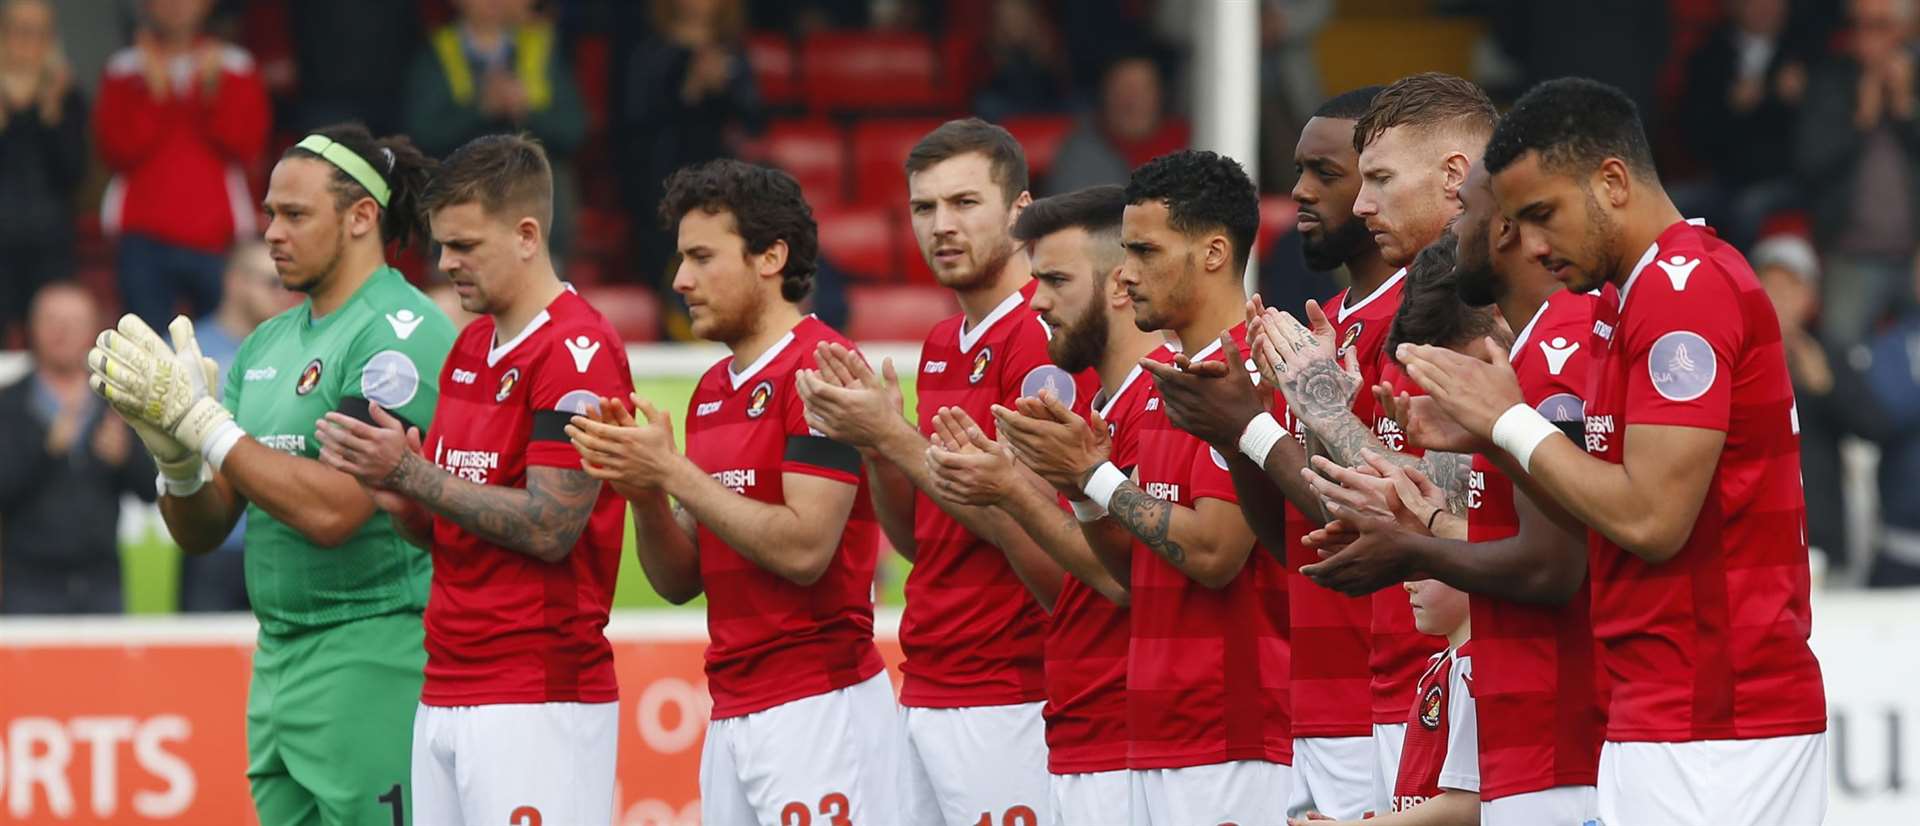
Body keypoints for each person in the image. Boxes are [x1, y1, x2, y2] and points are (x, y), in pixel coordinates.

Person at [1397, 76, 1827, 825]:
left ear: (1614, 181)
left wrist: (1512, 424)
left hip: (1714, 724)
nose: (1529, 243)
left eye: (1543, 215)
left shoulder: (1679, 292)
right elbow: (1616, 483)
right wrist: (1494, 438)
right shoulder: (1633, 296)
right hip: (1670, 710)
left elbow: (1654, 518)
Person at [88, 122, 452, 823]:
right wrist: (175, 457)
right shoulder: (265, 343)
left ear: (361, 218)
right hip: (278, 658)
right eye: (268, 215)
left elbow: (336, 512)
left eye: (294, 214)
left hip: (373, 651)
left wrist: (204, 424)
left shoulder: (401, 329)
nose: (273, 234)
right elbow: (205, 529)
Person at [566, 159, 899, 825]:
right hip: (732, 710)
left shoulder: (823, 371)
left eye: (701, 257)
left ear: (771, 257)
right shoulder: (712, 391)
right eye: (680, 258)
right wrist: (645, 495)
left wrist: (675, 474)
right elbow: (679, 579)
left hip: (819, 710)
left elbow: (806, 548)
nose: (681, 280)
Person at [314, 133, 631, 826]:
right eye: (440, 244)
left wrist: (412, 473)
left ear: (526, 235)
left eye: (463, 245)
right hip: (448, 682)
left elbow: (550, 527)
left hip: (538, 695)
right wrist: (402, 499)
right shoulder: (469, 347)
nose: (444, 263)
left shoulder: (578, 354)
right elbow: (453, 525)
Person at [1299, 163, 1604, 826]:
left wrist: (1414, 541)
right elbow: (1460, 515)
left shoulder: (1556, 358)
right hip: (1485, 716)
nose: (1363, 201)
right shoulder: (1516, 376)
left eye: (1380, 175)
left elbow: (1552, 565)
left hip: (1563, 745)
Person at [995, 149, 1293, 825]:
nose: (1125, 274)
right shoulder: (1175, 383)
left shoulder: (1248, 373)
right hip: (1158, 734)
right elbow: (1135, 573)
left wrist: (1092, 476)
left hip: (1229, 735)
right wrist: (1080, 488)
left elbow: (1215, 556)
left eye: (1144, 249)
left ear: (1214, 252)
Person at [793, 118, 1076, 826]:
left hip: (1012, 691)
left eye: (964, 203)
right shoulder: (944, 340)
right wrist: (878, 448)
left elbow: (1036, 531)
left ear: (1020, 213)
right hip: (929, 681)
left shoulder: (1043, 334)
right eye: (924, 207)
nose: (941, 225)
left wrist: (893, 432)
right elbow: (927, 538)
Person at [1267, 73, 1495, 816]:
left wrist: (1298, 416)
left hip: (1464, 682)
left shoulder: (1478, 314)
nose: (1361, 206)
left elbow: (1467, 509)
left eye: (1378, 179)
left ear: (1454, 176)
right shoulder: (1357, 321)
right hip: (1390, 688)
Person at [921, 184, 1167, 825]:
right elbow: (1072, 586)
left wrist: (1009, 489)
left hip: (1136, 739)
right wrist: (1006, 485)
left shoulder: (1168, 401)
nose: (1038, 301)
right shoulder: (1095, 413)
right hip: (1077, 725)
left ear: (1120, 283)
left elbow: (1131, 583)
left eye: (1056, 280)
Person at [94, 0, 269, 332]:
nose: (176, 6)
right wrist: (154, 93)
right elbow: (116, 150)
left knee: (224, 344)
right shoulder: (124, 68)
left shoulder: (236, 65)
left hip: (217, 234)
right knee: (146, 349)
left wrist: (210, 92)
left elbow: (245, 145)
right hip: (143, 235)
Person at [0, 283, 153, 614]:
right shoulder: (8, 402)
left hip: (102, 580)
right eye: (51, 320)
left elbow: (152, 489)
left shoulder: (118, 401)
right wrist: (45, 450)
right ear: (31, 327)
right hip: (28, 583)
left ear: (94, 330)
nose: (62, 331)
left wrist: (125, 458)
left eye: (74, 322)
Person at [1291, 572, 1480, 826]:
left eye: (1426, 572)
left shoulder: (1473, 669)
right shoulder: (1438, 666)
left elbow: (1470, 803)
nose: (1407, 585)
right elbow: (1419, 799)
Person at [405, 0, 587, 259]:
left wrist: (526, 110)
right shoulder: (437, 51)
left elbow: (573, 130)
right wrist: (481, 108)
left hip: (533, 213)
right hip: (461, 209)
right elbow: (424, 133)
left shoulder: (540, 46)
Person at [175, 240, 300, 612]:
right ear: (234, 281)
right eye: (272, 283)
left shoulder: (302, 350)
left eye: (290, 285)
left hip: (285, 542)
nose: (285, 296)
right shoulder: (186, 351)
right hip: (213, 543)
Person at [619, 0, 764, 305]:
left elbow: (755, 119)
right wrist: (690, 89)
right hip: (663, 182)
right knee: (678, 272)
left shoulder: (731, 52)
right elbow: (635, 121)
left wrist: (726, 86)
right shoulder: (650, 52)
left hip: (721, 182)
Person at [1797, 0, 1920, 346]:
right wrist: (1861, 122)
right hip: (1851, 254)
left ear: (1906, 30)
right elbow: (1810, 164)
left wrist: (1905, 109)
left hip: (1914, 256)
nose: (1865, 37)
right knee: (1837, 357)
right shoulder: (1831, 81)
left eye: (1879, 25)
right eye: (1858, 25)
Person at [1676, 0, 1807, 249]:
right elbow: (1694, 134)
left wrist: (1796, 99)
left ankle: (1737, 283)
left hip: (1785, 178)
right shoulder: (1711, 54)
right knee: (1675, 201)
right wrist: (1731, 107)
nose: (1765, 8)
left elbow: (1821, 134)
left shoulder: (1804, 52)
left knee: (1748, 207)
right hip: (1726, 177)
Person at [0, 0, 87, 345]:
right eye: (19, 30)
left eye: (38, 32)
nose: (27, 41)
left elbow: (74, 173)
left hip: (50, 246)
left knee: (53, 342)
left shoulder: (66, 97)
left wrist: (51, 114)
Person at [1047, 55, 1187, 194]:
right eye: (1122, 90)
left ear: (1161, 95)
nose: (1132, 102)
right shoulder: (1080, 155)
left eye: (1143, 90)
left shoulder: (1189, 142)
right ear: (1104, 96)